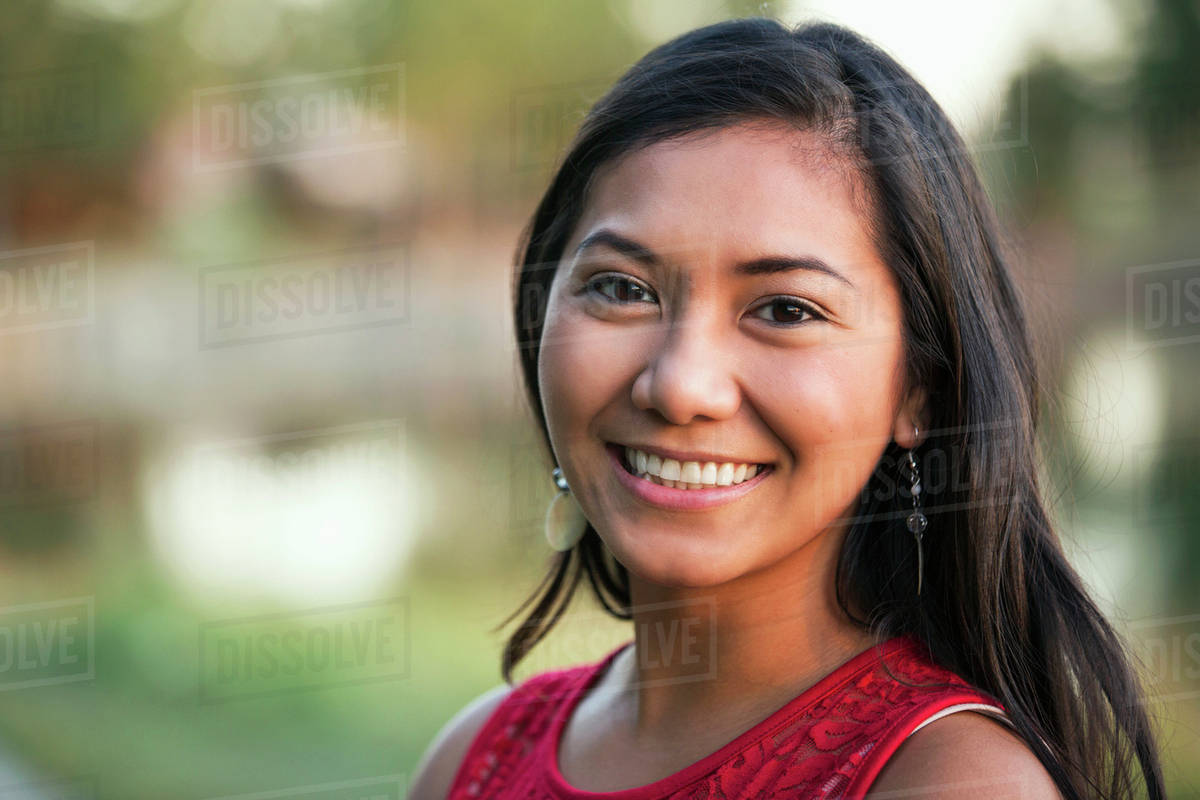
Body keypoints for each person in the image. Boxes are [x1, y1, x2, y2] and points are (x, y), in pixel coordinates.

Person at [410, 17, 1165, 800]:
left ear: (919, 389)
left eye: (786, 310)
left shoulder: (946, 782)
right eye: (622, 289)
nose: (680, 386)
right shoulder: (473, 759)